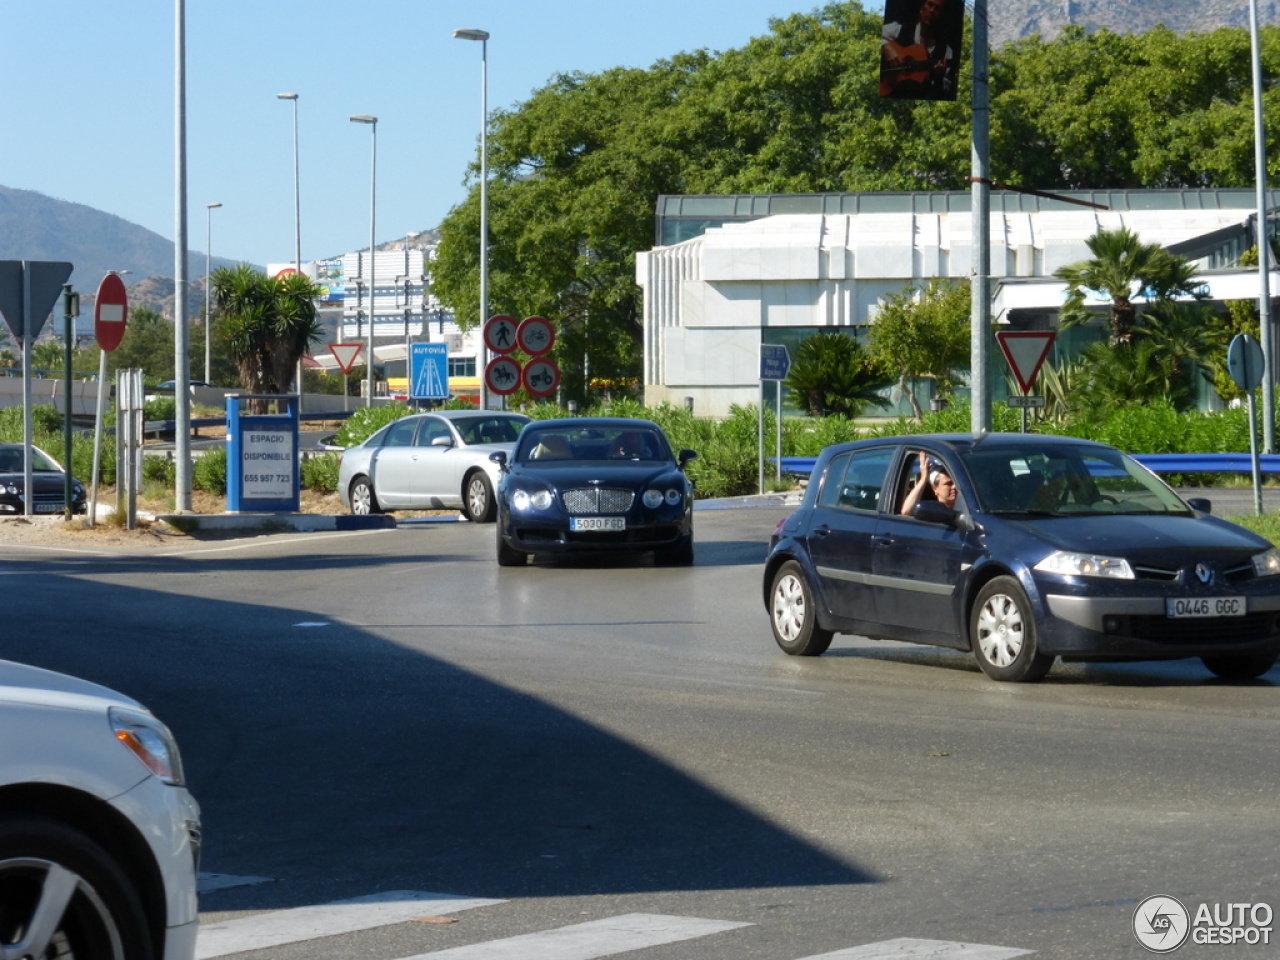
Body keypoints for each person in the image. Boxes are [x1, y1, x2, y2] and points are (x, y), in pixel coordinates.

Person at [880, 0, 960, 100]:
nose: (932, 10)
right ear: (922, 8)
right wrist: (886, 48)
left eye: (937, 8)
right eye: (930, 5)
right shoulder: (898, 30)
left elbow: (946, 90)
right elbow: (875, 33)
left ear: (941, 15)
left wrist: (938, 77)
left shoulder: (946, 53)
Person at [900, 451, 958, 516]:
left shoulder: (967, 507)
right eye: (948, 483)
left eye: (955, 483)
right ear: (935, 489)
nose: (954, 486)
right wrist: (923, 478)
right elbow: (906, 512)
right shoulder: (931, 511)